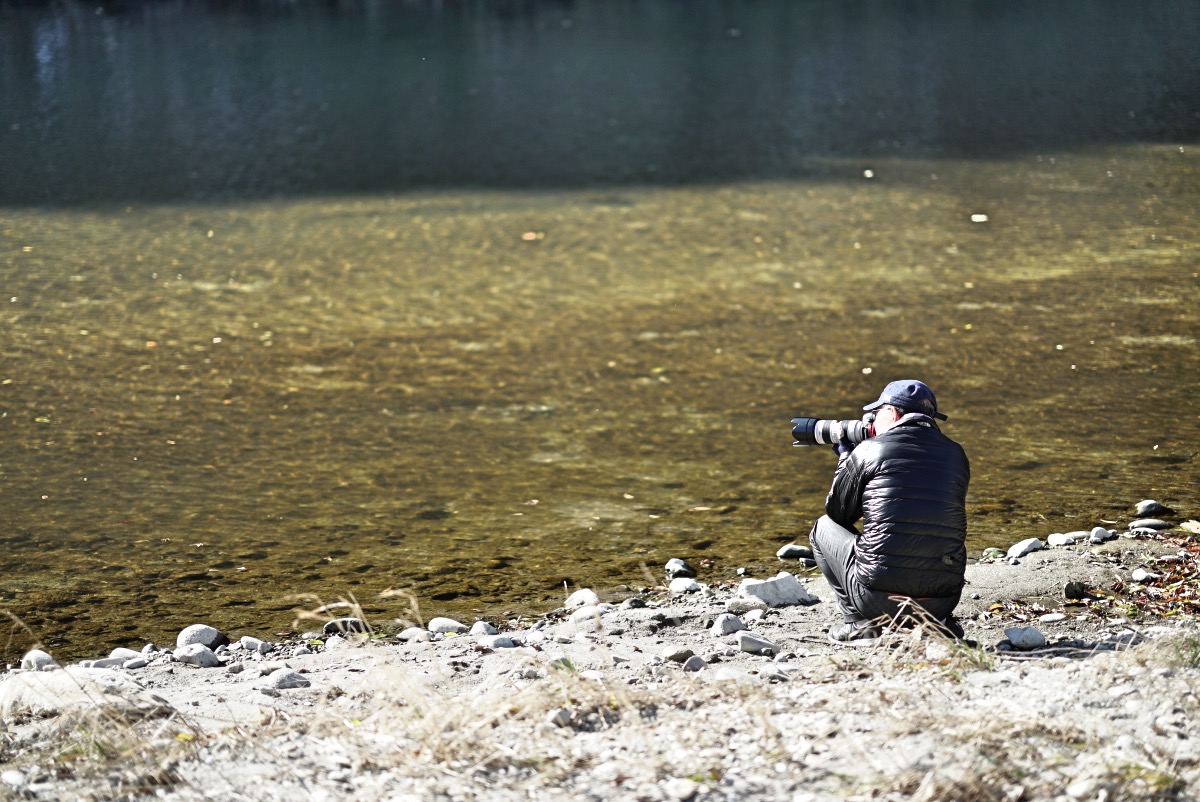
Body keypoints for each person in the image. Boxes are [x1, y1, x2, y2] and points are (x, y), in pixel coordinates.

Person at [808, 379, 970, 643]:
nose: (870, 421)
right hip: (943, 601)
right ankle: (939, 623)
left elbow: (839, 515)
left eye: (876, 413)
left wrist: (846, 461)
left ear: (892, 413)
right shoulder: (956, 454)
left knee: (823, 527)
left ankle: (859, 624)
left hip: (876, 601)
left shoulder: (870, 449)